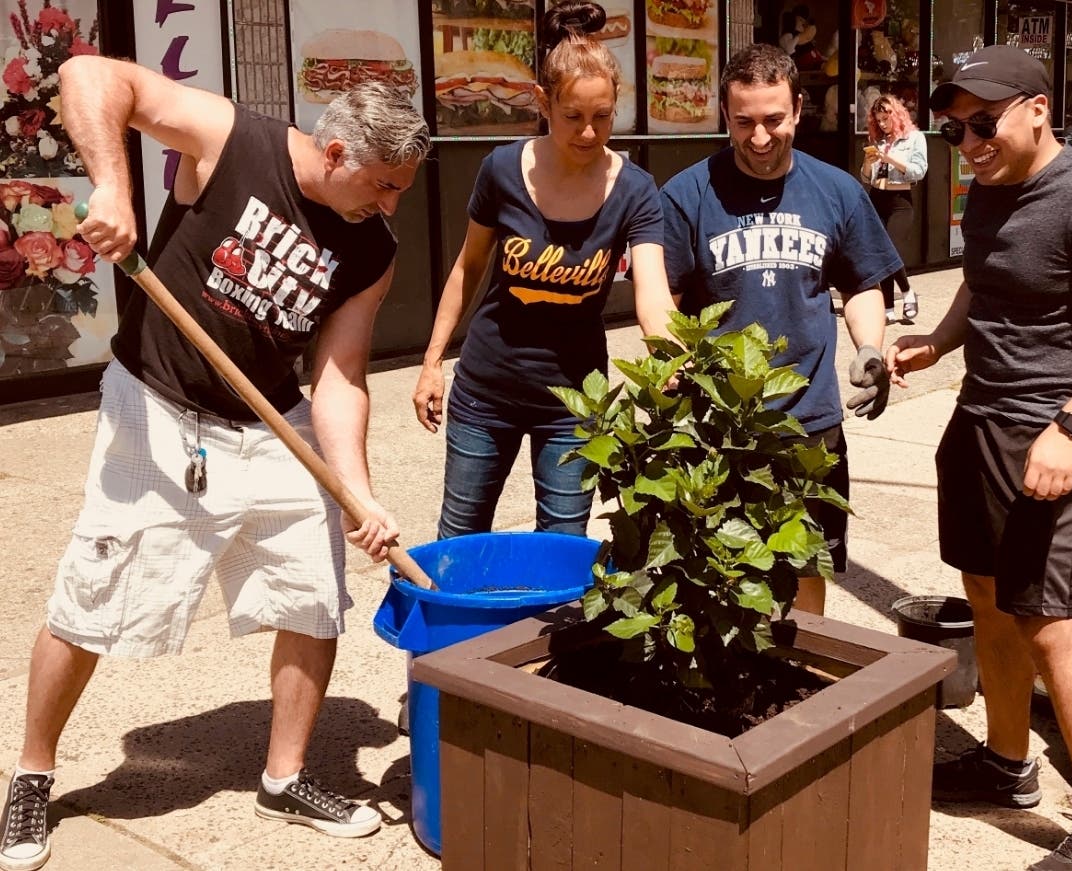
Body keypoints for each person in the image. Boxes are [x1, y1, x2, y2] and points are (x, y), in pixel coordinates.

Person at [0, 57, 430, 871]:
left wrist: (355, 494)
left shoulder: (372, 250)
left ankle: (286, 774)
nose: (388, 204)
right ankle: (31, 772)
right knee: (94, 591)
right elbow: (92, 73)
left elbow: (338, 377)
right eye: (381, 184)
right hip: (159, 402)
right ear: (334, 152)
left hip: (272, 421)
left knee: (312, 593)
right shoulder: (234, 141)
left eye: (400, 189)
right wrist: (115, 188)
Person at [888, 45, 1072, 871]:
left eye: (982, 122)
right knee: (989, 600)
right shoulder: (991, 186)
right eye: (953, 128)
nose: (966, 141)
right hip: (978, 420)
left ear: (1037, 108)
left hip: (1045, 438)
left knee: (1051, 624)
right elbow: (982, 278)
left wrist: (1071, 427)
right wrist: (939, 340)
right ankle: (1007, 763)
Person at [412, 0, 673, 539]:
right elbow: (468, 266)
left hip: (574, 402)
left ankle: (547, 630)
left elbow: (653, 294)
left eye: (602, 116)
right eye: (573, 116)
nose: (588, 132)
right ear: (543, 103)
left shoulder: (635, 191)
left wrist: (670, 357)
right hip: (486, 391)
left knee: (561, 548)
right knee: (460, 538)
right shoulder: (502, 170)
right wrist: (433, 361)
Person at [660, 43, 901, 616]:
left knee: (806, 566)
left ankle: (806, 678)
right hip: (718, 427)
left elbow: (863, 282)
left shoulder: (837, 190)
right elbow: (663, 302)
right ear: (726, 116)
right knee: (719, 568)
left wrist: (870, 347)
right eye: (744, 122)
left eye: (773, 119)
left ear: (797, 109)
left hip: (810, 422)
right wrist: (669, 362)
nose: (760, 137)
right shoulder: (687, 194)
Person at [859, 93, 927, 324]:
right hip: (877, 196)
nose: (882, 124)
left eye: (885, 119)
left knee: (891, 251)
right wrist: (868, 164)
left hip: (900, 199)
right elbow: (866, 178)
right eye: (878, 120)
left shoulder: (914, 138)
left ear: (896, 115)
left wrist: (891, 160)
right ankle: (887, 307)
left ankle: (908, 294)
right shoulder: (877, 140)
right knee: (880, 252)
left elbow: (919, 171)